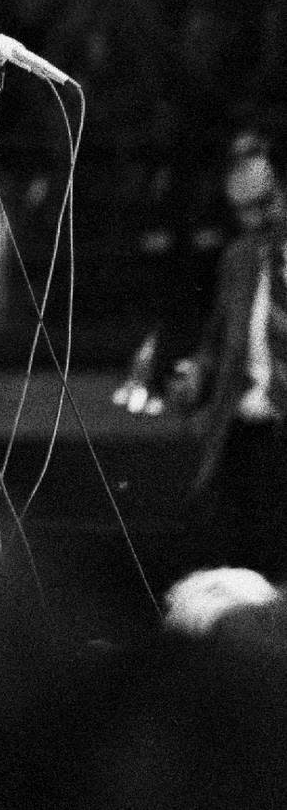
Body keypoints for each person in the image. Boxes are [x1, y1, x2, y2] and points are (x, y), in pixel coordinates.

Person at [167, 125, 287, 576]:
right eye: (242, 210)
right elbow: (220, 347)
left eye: (264, 203)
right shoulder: (238, 259)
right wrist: (196, 376)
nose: (254, 220)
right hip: (247, 437)